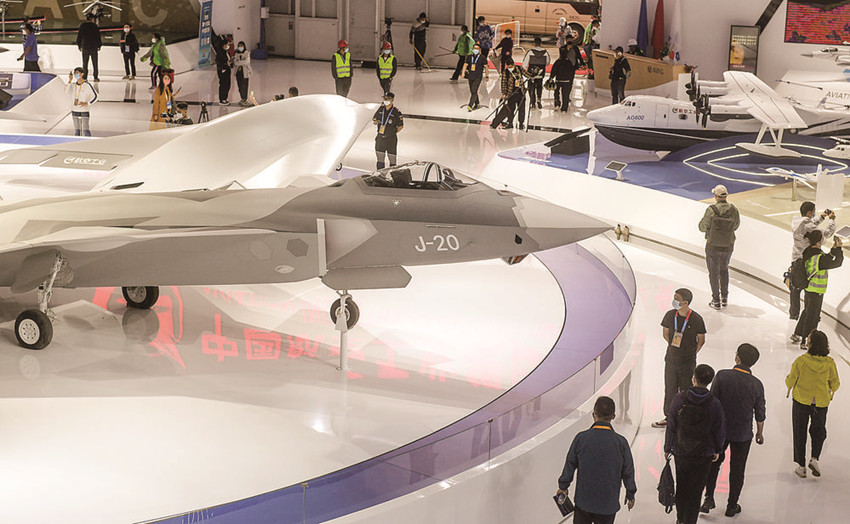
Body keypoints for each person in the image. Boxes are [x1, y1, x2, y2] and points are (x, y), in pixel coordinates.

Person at [701, 343, 765, 518]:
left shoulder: (722, 376)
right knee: (738, 469)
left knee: (713, 463)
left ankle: (708, 498)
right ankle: (731, 505)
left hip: (719, 431)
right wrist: (759, 433)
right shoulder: (757, 384)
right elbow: (760, 413)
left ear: (737, 358)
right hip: (743, 433)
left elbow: (711, 402)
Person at [556, 396, 637, 524]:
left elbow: (570, 464)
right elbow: (628, 471)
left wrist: (563, 486)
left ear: (594, 415)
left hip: (583, 502)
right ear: (613, 416)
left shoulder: (581, 439)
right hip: (608, 505)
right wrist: (630, 493)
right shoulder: (621, 443)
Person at [664, 364, 725, 524]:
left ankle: (680, 519)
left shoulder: (680, 398)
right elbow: (719, 429)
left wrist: (668, 447)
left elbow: (671, 424)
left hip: (681, 450)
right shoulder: (714, 403)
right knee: (696, 490)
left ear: (694, 378)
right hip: (704, 453)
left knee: (682, 486)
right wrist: (717, 449)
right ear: (710, 381)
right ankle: (691, 520)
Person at [785, 330, 840, 478]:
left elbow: (791, 380)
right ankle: (814, 458)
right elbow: (835, 384)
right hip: (821, 403)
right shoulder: (830, 363)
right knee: (818, 431)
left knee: (799, 432)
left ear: (811, 343)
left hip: (801, 401)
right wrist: (829, 390)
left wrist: (788, 381)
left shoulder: (801, 361)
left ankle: (801, 467)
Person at [652, 288, 706, 429]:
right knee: (670, 389)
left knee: (686, 389)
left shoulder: (696, 319)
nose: (674, 301)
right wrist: (674, 347)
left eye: (677, 299)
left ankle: (685, 418)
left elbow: (701, 340)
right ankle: (669, 417)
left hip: (687, 362)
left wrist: (691, 352)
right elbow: (665, 333)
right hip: (671, 360)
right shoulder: (670, 315)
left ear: (685, 302)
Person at [791, 230, 844, 348]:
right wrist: (840, 248)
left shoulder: (809, 251)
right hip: (816, 291)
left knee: (807, 311)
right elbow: (837, 263)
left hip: (809, 288)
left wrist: (834, 248)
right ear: (820, 241)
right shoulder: (819, 257)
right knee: (813, 317)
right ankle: (806, 341)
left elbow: (827, 258)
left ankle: (797, 334)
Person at [789, 202, 836, 320]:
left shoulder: (797, 222)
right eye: (814, 212)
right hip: (806, 260)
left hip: (796, 259)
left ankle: (794, 314)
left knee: (795, 288)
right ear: (809, 212)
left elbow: (810, 224)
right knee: (808, 290)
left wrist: (822, 217)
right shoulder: (808, 226)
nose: (814, 214)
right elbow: (825, 234)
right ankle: (807, 316)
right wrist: (831, 220)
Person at [698, 184, 740, 309]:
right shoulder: (733, 210)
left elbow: (702, 227)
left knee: (713, 273)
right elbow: (736, 226)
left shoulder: (711, 210)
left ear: (715, 196)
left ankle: (716, 300)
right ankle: (724, 298)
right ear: (726, 196)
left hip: (712, 245)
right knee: (724, 270)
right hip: (728, 245)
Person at [495, 57, 532, 130]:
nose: (509, 68)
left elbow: (527, 74)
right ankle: (510, 123)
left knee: (522, 109)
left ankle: (521, 123)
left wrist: (532, 75)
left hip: (521, 92)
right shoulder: (505, 72)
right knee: (511, 109)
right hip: (511, 93)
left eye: (511, 66)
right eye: (508, 66)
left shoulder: (519, 68)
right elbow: (503, 83)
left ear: (513, 64)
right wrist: (504, 93)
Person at [373, 92, 403, 170]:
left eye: (387, 99)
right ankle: (380, 175)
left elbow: (400, 126)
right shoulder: (380, 109)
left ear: (392, 100)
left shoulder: (396, 112)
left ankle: (392, 176)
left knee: (392, 161)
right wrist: (375, 121)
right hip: (380, 138)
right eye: (384, 98)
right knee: (380, 160)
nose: (385, 100)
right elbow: (375, 119)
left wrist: (392, 132)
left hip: (391, 140)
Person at [66, 66, 97, 136]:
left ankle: (88, 142)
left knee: (86, 130)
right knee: (77, 131)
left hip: (84, 111)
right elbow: (66, 91)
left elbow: (96, 96)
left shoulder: (87, 85)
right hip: (74, 110)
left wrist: (87, 103)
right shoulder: (72, 85)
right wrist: (69, 81)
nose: (75, 74)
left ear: (82, 74)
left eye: (77, 73)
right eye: (74, 73)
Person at [522, 37, 550, 109]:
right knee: (539, 86)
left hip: (531, 74)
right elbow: (547, 63)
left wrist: (524, 73)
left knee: (531, 87)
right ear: (541, 43)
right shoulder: (545, 52)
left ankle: (533, 103)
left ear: (534, 43)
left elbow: (525, 63)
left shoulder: (530, 52)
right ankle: (539, 99)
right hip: (541, 73)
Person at [76, 13, 102, 82]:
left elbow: (79, 36)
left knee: (85, 64)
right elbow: (98, 37)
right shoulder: (95, 26)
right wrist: (99, 45)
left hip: (85, 47)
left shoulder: (83, 26)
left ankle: (84, 77)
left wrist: (79, 45)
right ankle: (95, 77)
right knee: (95, 63)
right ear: (92, 19)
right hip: (93, 47)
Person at [461, 44, 485, 111]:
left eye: (477, 48)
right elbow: (465, 64)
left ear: (479, 49)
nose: (475, 50)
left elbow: (486, 66)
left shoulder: (482, 57)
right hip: (470, 76)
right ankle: (477, 103)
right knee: (472, 91)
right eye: (474, 48)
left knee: (474, 90)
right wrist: (463, 73)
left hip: (478, 76)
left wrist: (487, 75)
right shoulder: (469, 57)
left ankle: (470, 105)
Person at [233, 41, 253, 107]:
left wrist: (239, 62)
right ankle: (242, 98)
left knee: (245, 86)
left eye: (241, 46)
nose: (240, 47)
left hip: (245, 72)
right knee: (240, 86)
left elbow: (247, 62)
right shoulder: (236, 53)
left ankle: (244, 99)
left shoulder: (247, 53)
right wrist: (241, 62)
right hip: (238, 72)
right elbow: (235, 62)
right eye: (239, 46)